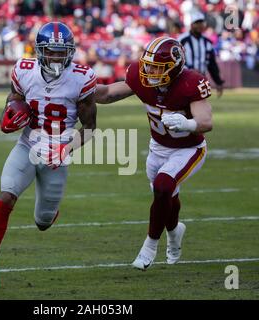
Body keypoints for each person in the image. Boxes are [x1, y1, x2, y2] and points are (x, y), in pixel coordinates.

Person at [0, 22, 97, 289]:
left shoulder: (82, 77)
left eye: (61, 52)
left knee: (42, 222)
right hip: (27, 146)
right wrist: (8, 114)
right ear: (40, 51)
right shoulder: (24, 70)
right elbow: (13, 98)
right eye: (50, 51)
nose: (56, 57)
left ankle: (50, 214)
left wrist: (65, 149)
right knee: (6, 195)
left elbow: (90, 130)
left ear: (70, 52)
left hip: (57, 153)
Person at [95, 37, 213, 270]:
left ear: (175, 67)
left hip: (189, 149)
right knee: (165, 195)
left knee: (163, 186)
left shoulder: (190, 82)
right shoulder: (141, 76)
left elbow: (206, 121)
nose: (150, 71)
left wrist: (187, 123)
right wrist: (81, 90)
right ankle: (174, 231)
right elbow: (108, 93)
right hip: (157, 148)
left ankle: (150, 245)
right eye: (148, 65)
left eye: (157, 67)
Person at [178, 11, 225, 98]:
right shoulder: (182, 40)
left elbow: (212, 64)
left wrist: (218, 82)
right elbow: (176, 61)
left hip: (200, 80)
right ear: (192, 24)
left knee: (200, 107)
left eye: (201, 22)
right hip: (184, 79)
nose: (200, 25)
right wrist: (189, 70)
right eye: (197, 23)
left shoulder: (207, 42)